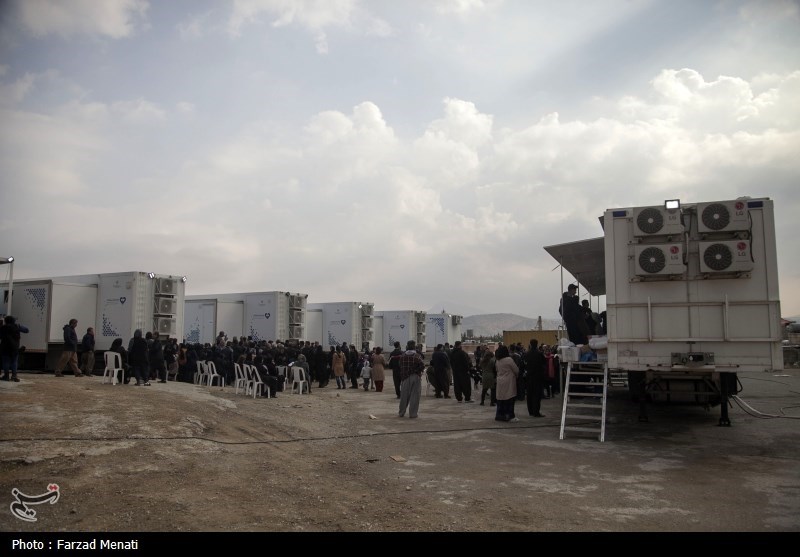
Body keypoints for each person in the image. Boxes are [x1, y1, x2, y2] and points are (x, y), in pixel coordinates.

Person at [397, 340, 424, 419]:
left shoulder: (402, 356)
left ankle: (401, 412)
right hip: (415, 377)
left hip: (404, 377)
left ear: (407, 346)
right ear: (414, 346)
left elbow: (400, 365)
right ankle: (413, 414)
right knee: (415, 395)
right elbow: (422, 366)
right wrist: (416, 371)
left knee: (404, 396)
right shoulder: (417, 356)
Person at [494, 344, 519, 422]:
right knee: (510, 398)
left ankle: (500, 415)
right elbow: (516, 370)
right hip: (509, 381)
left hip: (500, 381)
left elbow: (496, 370)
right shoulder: (509, 359)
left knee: (500, 399)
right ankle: (510, 416)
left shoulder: (497, 360)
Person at [1, 315, 29, 382]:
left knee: (6, 362)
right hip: (15, 347)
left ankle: (6, 376)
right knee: (14, 361)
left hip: (5, 347)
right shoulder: (17, 326)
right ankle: (14, 376)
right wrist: (19, 326)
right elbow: (27, 330)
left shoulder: (3, 327)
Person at [524, 339, 546, 417]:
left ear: (530, 344)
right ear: (537, 344)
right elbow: (544, 363)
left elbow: (524, 364)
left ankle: (530, 411)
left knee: (530, 394)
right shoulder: (539, 353)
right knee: (537, 395)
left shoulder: (526, 353)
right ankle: (536, 411)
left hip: (529, 376)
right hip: (537, 376)